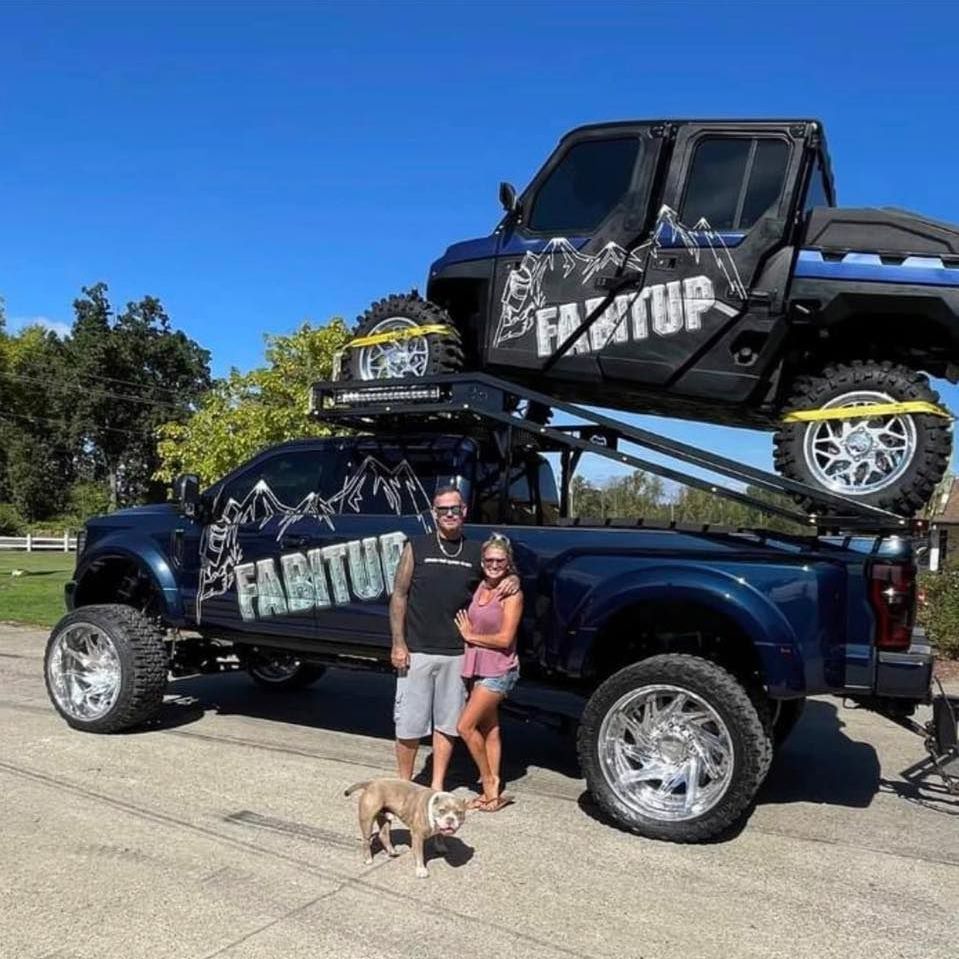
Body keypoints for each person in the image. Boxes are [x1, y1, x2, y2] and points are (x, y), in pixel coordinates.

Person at [389, 487, 518, 792]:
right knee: (408, 725)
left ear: (464, 512)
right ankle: (403, 786)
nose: (449, 514)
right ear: (434, 514)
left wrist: (514, 578)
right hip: (416, 651)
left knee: (447, 726)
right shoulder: (416, 547)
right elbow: (399, 594)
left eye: (454, 509)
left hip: (458, 654)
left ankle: (436, 785)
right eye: (442, 509)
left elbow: (497, 570)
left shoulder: (475, 552)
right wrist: (398, 643)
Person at [454, 533, 522, 812]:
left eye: (500, 561)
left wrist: (471, 636)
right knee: (489, 728)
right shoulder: (481, 586)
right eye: (489, 560)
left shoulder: (512, 593)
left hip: (498, 669)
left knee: (464, 727)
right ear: (482, 562)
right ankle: (493, 788)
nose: (494, 565)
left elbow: (506, 639)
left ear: (508, 564)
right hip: (478, 667)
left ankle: (489, 784)